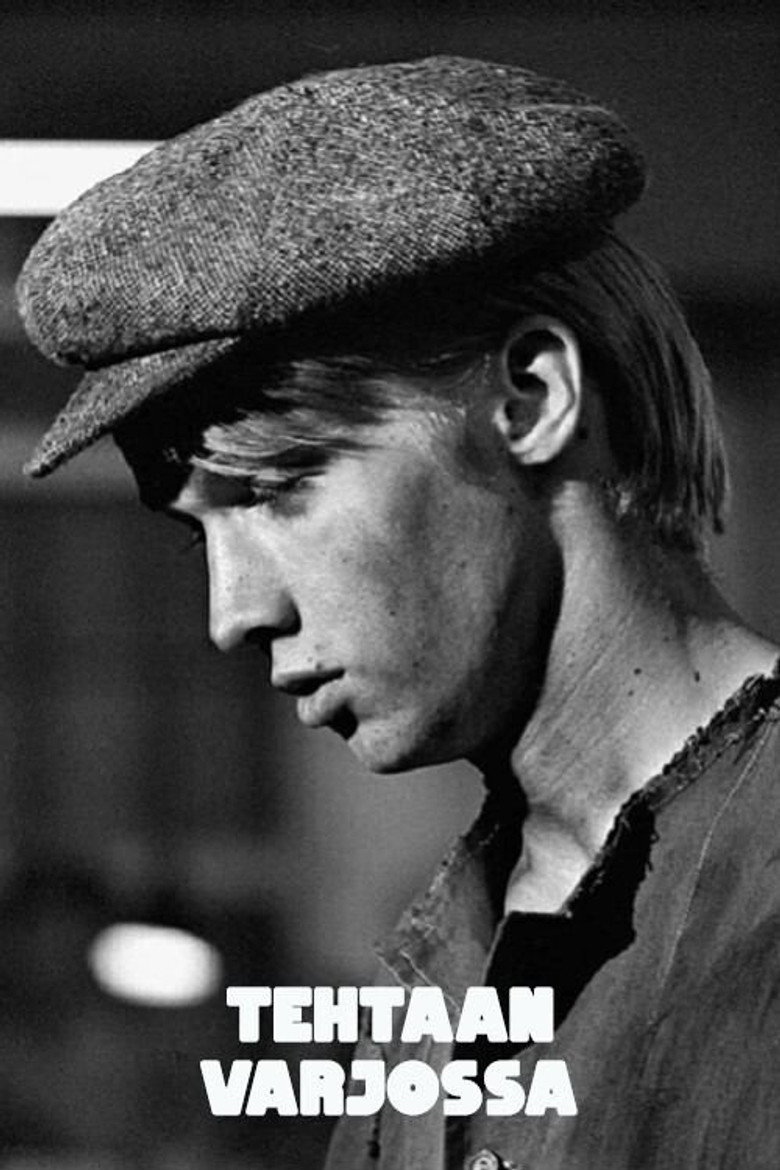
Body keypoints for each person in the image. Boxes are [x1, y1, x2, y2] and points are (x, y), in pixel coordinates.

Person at [15, 56, 780, 1169]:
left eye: (278, 488)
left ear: (532, 399)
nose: (233, 614)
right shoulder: (442, 970)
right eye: (198, 534)